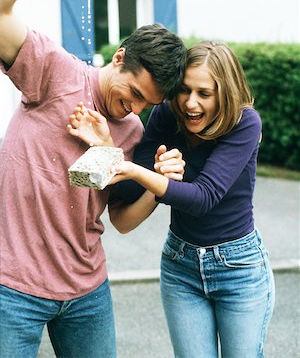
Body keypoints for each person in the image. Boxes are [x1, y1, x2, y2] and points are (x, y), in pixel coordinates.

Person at [0, 0, 187, 358]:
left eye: (148, 104)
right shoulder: (54, 72)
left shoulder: (133, 130)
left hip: (87, 292)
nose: (136, 110)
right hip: (13, 287)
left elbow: (120, 219)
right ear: (120, 57)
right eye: (135, 93)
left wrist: (157, 185)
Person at [69, 41, 275, 358]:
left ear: (224, 94)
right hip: (182, 267)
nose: (190, 103)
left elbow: (203, 198)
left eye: (204, 93)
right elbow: (126, 202)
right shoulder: (167, 114)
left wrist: (139, 172)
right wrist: (118, 151)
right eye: (184, 90)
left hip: (239, 268)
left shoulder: (244, 123)